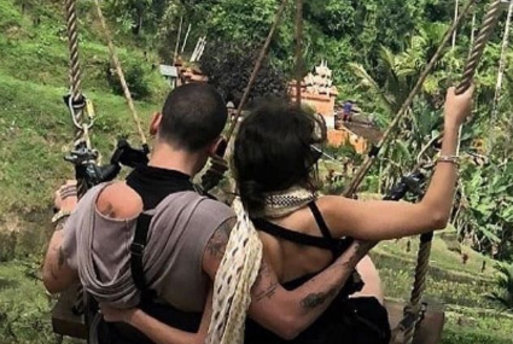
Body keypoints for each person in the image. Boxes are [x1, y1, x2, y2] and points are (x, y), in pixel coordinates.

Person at [100, 84, 474, 344]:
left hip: (258, 336)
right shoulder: (327, 213)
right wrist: (452, 126)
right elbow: (434, 213)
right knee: (367, 273)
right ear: (301, 163)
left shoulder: (233, 221)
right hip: (330, 334)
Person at [43, 83, 372, 344]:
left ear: (156, 122)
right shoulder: (218, 226)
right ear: (215, 147)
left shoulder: (95, 202)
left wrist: (68, 213)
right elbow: (287, 319)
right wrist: (356, 248)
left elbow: (53, 279)